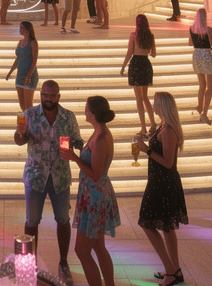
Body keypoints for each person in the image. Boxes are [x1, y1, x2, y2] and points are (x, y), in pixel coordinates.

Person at [15, 80, 84, 286]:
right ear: (41, 95)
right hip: (36, 176)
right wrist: (21, 134)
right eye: (45, 95)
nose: (48, 99)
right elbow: (19, 140)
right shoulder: (29, 115)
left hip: (60, 177)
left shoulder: (68, 117)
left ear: (58, 96)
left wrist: (83, 148)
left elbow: (78, 140)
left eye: (52, 96)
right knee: (32, 220)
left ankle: (63, 263)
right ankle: (30, 265)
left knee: (63, 219)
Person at [61, 96, 120, 286]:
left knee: (82, 250)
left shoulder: (101, 138)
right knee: (99, 246)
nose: (84, 111)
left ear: (93, 114)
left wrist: (74, 158)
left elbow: (95, 174)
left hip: (95, 197)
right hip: (93, 194)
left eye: (87, 109)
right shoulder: (98, 133)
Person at [134, 91, 189, 286]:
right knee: (167, 227)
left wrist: (146, 149)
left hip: (163, 183)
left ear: (164, 106)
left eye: (156, 104)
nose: (153, 107)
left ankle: (171, 271)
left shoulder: (169, 131)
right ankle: (174, 269)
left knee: (147, 224)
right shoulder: (162, 127)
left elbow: (167, 162)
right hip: (159, 181)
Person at [120, 14, 157, 134]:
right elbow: (154, 54)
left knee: (138, 99)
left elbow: (129, 52)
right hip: (145, 64)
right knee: (145, 97)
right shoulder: (150, 36)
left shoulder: (133, 35)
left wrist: (123, 66)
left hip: (135, 64)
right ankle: (153, 124)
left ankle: (143, 128)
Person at [189, 8, 212, 124]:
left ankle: (200, 106)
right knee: (210, 88)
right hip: (206, 55)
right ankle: (204, 113)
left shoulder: (191, 29)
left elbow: (190, 43)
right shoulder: (208, 30)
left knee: (202, 85)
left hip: (196, 55)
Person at [6, 21, 40, 112]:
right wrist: (10, 72)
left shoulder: (33, 42)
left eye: (22, 28)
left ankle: (31, 124)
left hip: (29, 74)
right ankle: (26, 123)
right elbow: (18, 59)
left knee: (28, 105)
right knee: (22, 105)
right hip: (20, 75)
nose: (20, 30)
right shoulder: (20, 42)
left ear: (27, 29)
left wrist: (29, 75)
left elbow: (34, 60)